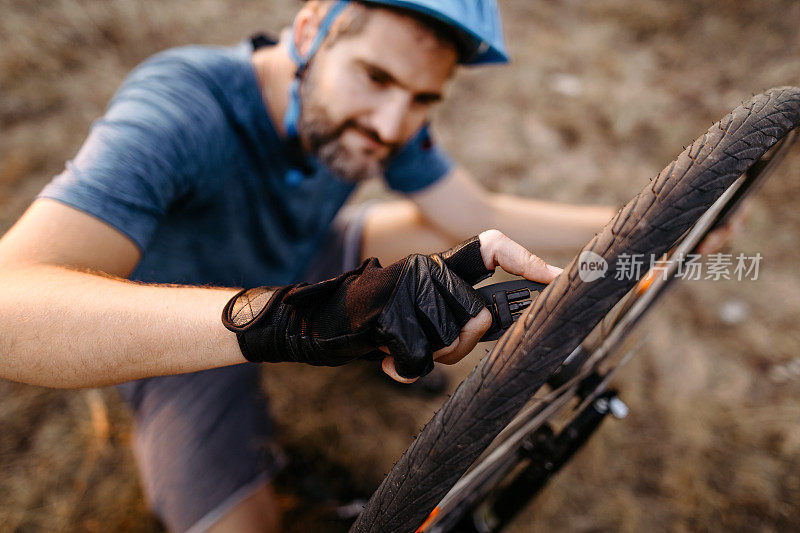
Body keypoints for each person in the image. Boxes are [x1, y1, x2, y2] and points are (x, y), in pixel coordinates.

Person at [0, 1, 736, 531]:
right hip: (178, 337)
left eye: (422, 98)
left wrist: (656, 223)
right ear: (312, 27)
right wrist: (299, 318)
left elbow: (472, 206)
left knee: (429, 236)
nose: (392, 126)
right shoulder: (181, 108)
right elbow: (9, 307)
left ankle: (368, 314)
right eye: (375, 78)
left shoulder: (386, 112)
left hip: (307, 260)